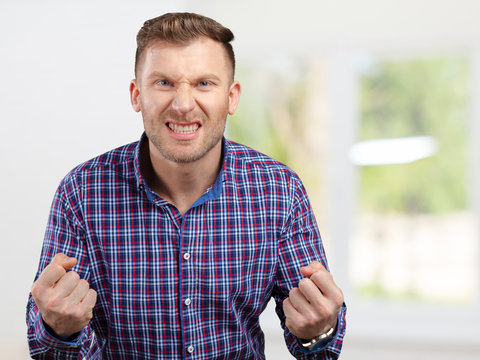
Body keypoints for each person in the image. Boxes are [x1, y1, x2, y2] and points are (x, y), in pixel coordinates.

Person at [26, 12, 346, 359]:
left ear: (232, 97)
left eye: (204, 83)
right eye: (163, 82)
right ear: (136, 95)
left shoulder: (279, 190)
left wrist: (320, 333)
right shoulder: (81, 193)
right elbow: (46, 350)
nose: (182, 104)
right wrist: (59, 330)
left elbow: (320, 352)